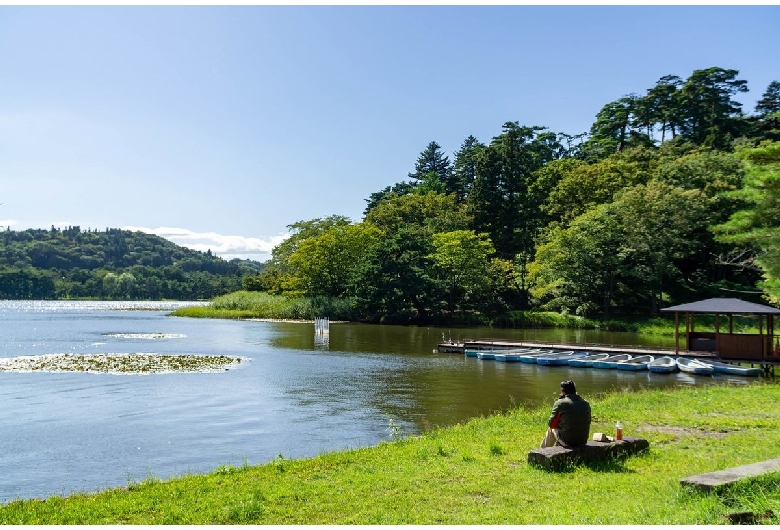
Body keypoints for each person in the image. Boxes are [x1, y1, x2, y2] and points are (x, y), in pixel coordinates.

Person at [540, 380, 591, 448]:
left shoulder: (560, 403)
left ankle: (542, 451)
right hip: (583, 441)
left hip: (569, 442)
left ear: (563, 392)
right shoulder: (585, 403)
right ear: (575, 391)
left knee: (551, 430)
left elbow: (551, 424)